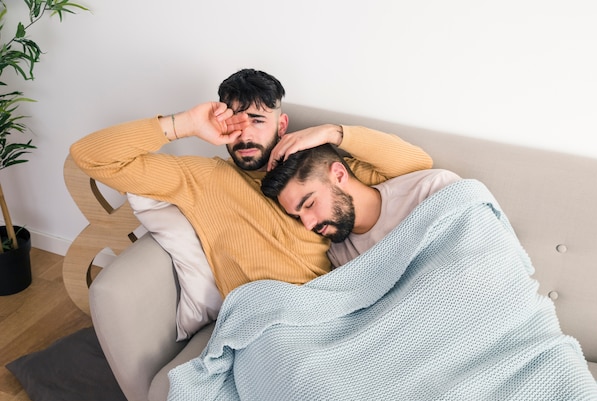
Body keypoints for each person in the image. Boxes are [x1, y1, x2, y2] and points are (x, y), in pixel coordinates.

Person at [70, 68, 434, 297]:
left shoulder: (318, 167)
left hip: (335, 303)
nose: (243, 132)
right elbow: (90, 156)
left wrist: (333, 133)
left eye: (257, 119)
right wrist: (184, 124)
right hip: (264, 314)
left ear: (282, 124)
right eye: (233, 120)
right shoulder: (204, 178)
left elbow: (417, 166)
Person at [261, 143, 461, 267]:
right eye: (297, 216)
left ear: (339, 175)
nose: (307, 224)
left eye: (310, 203)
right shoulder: (338, 254)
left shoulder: (430, 190)